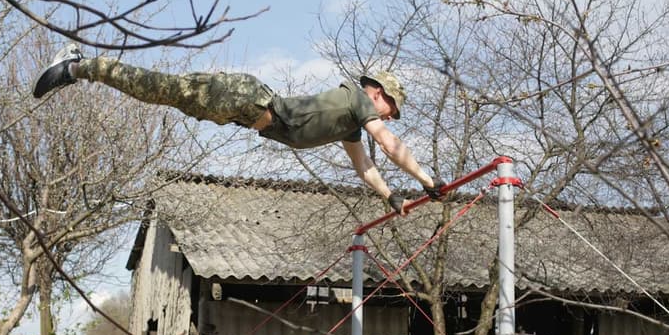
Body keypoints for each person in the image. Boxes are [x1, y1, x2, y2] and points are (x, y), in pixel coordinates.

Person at [33, 44, 442, 213]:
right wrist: (427, 181)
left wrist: (391, 198)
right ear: (376, 92)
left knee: (157, 92)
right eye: (391, 106)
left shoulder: (351, 126)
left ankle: (78, 67)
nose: (390, 116)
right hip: (246, 98)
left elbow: (366, 167)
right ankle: (76, 65)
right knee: (155, 88)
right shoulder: (355, 98)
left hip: (238, 111)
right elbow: (389, 145)